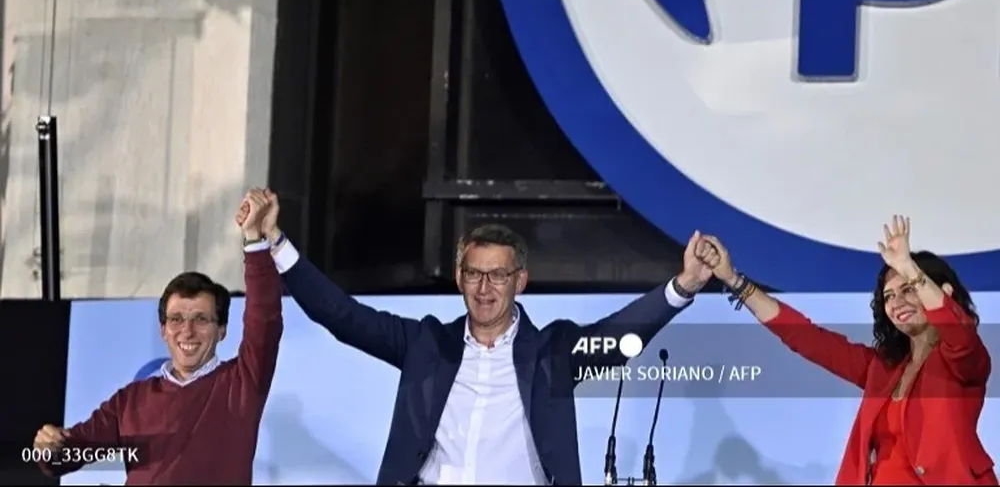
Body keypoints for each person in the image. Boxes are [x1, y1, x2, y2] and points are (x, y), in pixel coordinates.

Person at [256, 189, 713, 485]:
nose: (484, 287)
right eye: (474, 273)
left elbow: (618, 340)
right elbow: (342, 315)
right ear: (459, 278)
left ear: (521, 281)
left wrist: (684, 286)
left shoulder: (551, 353)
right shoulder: (425, 344)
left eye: (498, 275)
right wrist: (275, 240)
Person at [693, 215, 996, 485]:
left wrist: (907, 266)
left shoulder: (965, 359)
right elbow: (808, 338)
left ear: (944, 292)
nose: (897, 302)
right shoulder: (883, 367)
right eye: (889, 296)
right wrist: (733, 279)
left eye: (909, 289)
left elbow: (958, 332)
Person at [32, 189, 284, 484]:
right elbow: (69, 454)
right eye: (176, 319)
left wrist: (254, 239)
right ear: (163, 330)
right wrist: (48, 449)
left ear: (222, 330)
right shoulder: (131, 401)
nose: (187, 331)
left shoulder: (241, 384)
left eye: (201, 319)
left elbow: (264, 319)